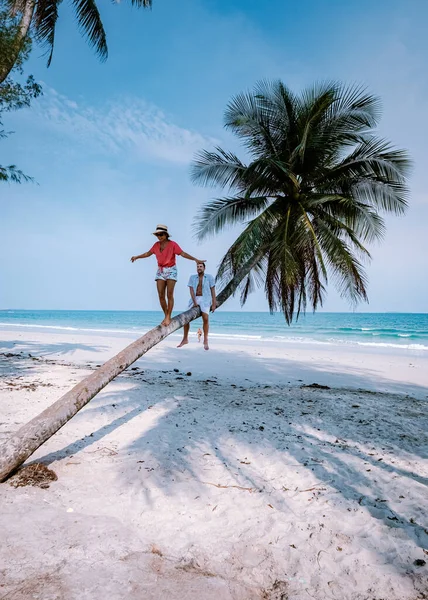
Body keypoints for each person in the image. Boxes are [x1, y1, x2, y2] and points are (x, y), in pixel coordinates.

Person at [131, 225, 205, 326]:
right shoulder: (156, 245)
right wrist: (137, 257)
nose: (159, 236)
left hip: (171, 270)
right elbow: (148, 253)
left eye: (161, 234)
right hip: (160, 271)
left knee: (169, 295)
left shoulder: (173, 244)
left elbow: (182, 253)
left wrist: (195, 259)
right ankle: (166, 315)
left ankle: (168, 317)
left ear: (166, 235)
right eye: (157, 234)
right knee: (161, 295)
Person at [177, 262, 216, 351]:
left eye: (201, 266)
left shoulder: (209, 277)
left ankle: (205, 340)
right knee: (185, 317)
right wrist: (194, 302)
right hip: (194, 298)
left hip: (205, 299)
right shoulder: (192, 277)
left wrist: (214, 303)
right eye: (198, 267)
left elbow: (213, 290)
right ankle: (185, 338)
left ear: (204, 268)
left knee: (205, 318)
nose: (199, 268)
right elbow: (191, 290)